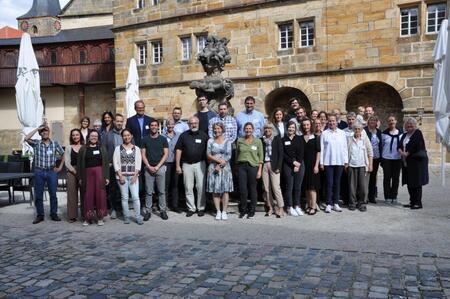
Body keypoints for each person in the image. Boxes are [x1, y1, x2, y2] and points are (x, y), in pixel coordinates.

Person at [26, 124, 65, 224]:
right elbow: (26, 138)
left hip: (51, 172)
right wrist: (37, 128)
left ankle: (53, 213)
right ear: (40, 133)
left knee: (53, 194)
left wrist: (60, 167)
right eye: (42, 131)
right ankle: (40, 215)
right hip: (39, 171)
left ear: (49, 132)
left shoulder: (55, 143)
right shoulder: (37, 143)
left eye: (46, 130)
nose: (44, 132)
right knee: (38, 194)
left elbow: (63, 154)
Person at [176, 116, 209, 217]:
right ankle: (191, 208)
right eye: (191, 123)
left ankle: (201, 208)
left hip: (200, 164)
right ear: (188, 124)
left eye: (195, 123)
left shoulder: (204, 135)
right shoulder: (183, 136)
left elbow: (210, 151)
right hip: (186, 165)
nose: (193, 125)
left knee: (200, 187)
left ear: (198, 124)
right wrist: (178, 165)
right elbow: (178, 150)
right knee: (188, 187)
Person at [77, 130, 109, 226]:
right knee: (88, 196)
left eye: (95, 136)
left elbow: (106, 163)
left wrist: (106, 177)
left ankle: (100, 217)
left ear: (98, 137)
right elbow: (79, 164)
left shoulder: (102, 148)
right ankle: (88, 218)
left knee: (100, 195)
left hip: (100, 173)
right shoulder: (83, 149)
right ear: (88, 137)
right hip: (87, 174)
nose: (94, 137)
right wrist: (80, 178)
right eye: (92, 136)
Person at [113, 129, 143, 225]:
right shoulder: (118, 148)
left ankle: (138, 217)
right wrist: (120, 175)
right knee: (124, 198)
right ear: (122, 137)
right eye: (124, 135)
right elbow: (115, 163)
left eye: (128, 135)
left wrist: (135, 175)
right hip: (122, 177)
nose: (126, 137)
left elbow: (138, 163)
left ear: (131, 136)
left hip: (133, 177)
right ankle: (126, 217)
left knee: (135, 197)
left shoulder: (137, 148)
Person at [320, 114, 348, 213]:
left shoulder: (342, 133)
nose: (332, 123)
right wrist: (321, 163)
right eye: (330, 121)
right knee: (329, 183)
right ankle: (328, 203)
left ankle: (336, 203)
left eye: (334, 121)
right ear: (328, 122)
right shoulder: (324, 133)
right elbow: (322, 149)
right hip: (328, 162)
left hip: (339, 161)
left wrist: (346, 161)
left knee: (337, 183)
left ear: (337, 122)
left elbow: (345, 148)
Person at [398, 117, 429, 209]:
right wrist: (401, 152)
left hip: (416, 162)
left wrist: (407, 153)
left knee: (416, 182)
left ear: (415, 125)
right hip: (406, 162)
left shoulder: (417, 133)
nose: (409, 125)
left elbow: (415, 144)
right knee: (409, 181)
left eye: (411, 124)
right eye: (408, 124)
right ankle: (412, 201)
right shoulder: (404, 135)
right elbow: (399, 145)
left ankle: (418, 203)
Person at [141, 120, 169, 220]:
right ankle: (148, 211)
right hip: (148, 168)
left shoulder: (163, 139)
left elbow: (166, 154)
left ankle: (163, 211)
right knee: (148, 191)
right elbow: (143, 154)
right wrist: (148, 166)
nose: (153, 127)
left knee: (161, 191)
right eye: (151, 125)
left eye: (155, 125)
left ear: (158, 127)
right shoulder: (145, 139)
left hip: (160, 168)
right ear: (150, 127)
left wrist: (157, 166)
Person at [236, 122, 263, 219]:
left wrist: (259, 171)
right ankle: (243, 210)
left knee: (252, 189)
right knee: (243, 189)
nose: (248, 130)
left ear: (253, 130)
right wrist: (236, 167)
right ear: (244, 130)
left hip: (253, 167)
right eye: (246, 128)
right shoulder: (239, 140)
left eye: (250, 128)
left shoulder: (258, 141)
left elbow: (261, 157)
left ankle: (252, 209)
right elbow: (237, 155)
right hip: (241, 167)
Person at [207, 122, 233, 220]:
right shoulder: (210, 141)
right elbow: (208, 154)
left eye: (219, 128)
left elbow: (229, 155)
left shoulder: (227, 141)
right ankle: (218, 211)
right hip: (213, 168)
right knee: (215, 190)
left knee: (225, 190)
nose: (217, 130)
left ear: (222, 129)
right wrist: (218, 162)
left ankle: (224, 211)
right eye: (215, 128)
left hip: (225, 168)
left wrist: (221, 165)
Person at [346, 123, 373, 212]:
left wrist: (370, 164)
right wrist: (346, 164)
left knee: (363, 187)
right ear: (353, 130)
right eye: (355, 129)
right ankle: (352, 203)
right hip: (352, 165)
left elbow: (370, 152)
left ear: (361, 130)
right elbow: (346, 152)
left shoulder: (365, 139)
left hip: (362, 166)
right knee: (351, 186)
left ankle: (362, 203)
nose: (357, 130)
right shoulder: (349, 139)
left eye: (359, 129)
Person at [261, 123, 284, 218]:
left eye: (269, 128)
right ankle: (270, 207)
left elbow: (281, 153)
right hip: (264, 165)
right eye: (266, 128)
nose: (267, 130)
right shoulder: (262, 140)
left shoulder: (277, 139)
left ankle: (280, 207)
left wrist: (279, 166)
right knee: (266, 188)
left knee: (276, 187)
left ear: (272, 129)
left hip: (274, 165)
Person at [104, 113, 125, 219]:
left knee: (123, 189)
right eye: (118, 121)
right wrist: (108, 162)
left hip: (125, 166)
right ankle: (112, 209)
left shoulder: (127, 134)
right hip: (112, 165)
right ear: (114, 122)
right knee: (112, 189)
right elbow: (104, 149)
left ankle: (121, 209)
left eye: (121, 121)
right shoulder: (108, 135)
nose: (119, 123)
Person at [282, 121, 305, 216]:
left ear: (295, 129)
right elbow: (283, 154)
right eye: (289, 127)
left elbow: (301, 151)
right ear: (287, 128)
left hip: (300, 164)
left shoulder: (299, 138)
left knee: (298, 187)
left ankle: (297, 206)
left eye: (293, 127)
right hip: (288, 165)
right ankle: (289, 206)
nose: (291, 129)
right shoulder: (283, 140)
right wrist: (293, 163)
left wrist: (298, 163)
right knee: (289, 187)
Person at [301, 118, 321, 215]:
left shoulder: (316, 137)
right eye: (304, 125)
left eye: (307, 125)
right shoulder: (300, 137)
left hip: (313, 165)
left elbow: (318, 152)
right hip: (304, 165)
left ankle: (314, 206)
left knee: (312, 187)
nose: (306, 127)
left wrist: (317, 165)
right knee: (307, 187)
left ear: (310, 125)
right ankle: (309, 205)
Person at [381, 115, 403, 204]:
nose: (391, 122)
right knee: (387, 178)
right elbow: (381, 146)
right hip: (386, 159)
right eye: (389, 121)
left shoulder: (401, 134)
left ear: (396, 121)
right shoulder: (384, 134)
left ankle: (394, 196)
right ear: (387, 123)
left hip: (397, 159)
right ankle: (387, 197)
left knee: (396, 178)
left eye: (393, 120)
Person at [64, 128, 83, 222]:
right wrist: (75, 171)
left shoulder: (84, 147)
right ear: (71, 137)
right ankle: (72, 216)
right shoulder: (68, 147)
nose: (75, 137)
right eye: (73, 135)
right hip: (72, 172)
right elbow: (67, 162)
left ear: (80, 136)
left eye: (77, 135)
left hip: (82, 171)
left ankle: (85, 214)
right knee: (72, 194)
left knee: (84, 193)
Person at [163, 118, 181, 213]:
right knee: (165, 185)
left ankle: (175, 205)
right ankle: (164, 205)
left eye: (172, 124)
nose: (170, 126)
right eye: (168, 124)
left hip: (175, 163)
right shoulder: (162, 136)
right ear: (166, 125)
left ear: (174, 125)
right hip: (166, 163)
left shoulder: (178, 136)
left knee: (175, 184)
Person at [364, 115, 382, 204]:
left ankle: (372, 196)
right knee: (366, 177)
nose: (372, 122)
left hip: (376, 157)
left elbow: (381, 145)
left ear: (376, 122)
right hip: (366, 157)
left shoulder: (378, 132)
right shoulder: (365, 130)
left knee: (373, 177)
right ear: (368, 122)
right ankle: (365, 196)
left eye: (374, 121)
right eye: (371, 120)